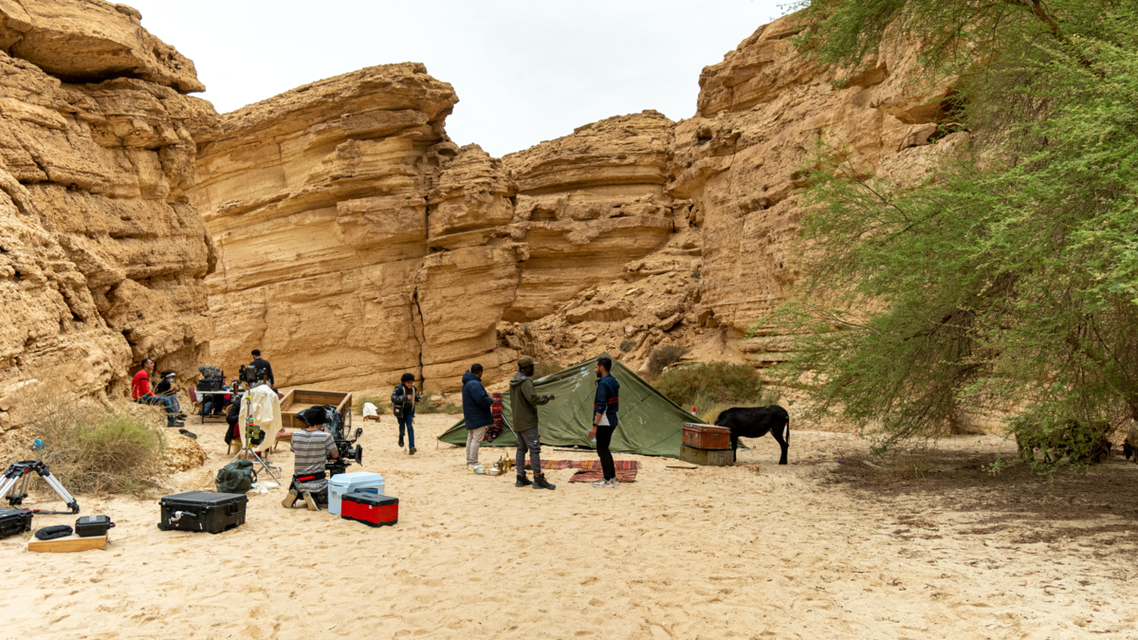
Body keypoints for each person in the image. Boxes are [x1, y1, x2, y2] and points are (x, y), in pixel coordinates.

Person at [509, 356, 555, 490]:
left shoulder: (513, 381)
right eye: (532, 367)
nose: (533, 369)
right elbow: (533, 399)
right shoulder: (526, 382)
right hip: (528, 421)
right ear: (527, 368)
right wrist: (546, 398)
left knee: (521, 449)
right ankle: (538, 478)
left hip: (518, 420)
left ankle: (520, 477)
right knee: (534, 450)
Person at [282, 407, 338, 511]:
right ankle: (313, 497)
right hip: (318, 483)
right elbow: (335, 455)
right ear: (322, 422)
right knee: (332, 491)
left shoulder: (296, 434)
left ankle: (297, 493)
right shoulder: (326, 436)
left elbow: (295, 450)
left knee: (301, 486)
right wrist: (329, 437)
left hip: (297, 482)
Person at [588, 357, 621, 488]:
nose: (595, 370)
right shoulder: (613, 381)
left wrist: (594, 425)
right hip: (611, 420)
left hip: (604, 421)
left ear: (602, 368)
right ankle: (612, 477)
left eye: (596, 367)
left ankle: (607, 478)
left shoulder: (603, 383)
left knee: (602, 451)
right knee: (605, 449)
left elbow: (601, 406)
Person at [131, 359, 182, 428]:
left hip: (141, 396)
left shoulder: (143, 373)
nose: (153, 364)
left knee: (166, 398)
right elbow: (146, 390)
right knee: (166, 399)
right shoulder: (143, 374)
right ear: (145, 365)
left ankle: (173, 419)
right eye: (151, 363)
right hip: (140, 398)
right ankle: (172, 421)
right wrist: (155, 396)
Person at [461, 363, 493, 469]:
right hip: (477, 415)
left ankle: (470, 461)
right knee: (476, 439)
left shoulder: (466, 384)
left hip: (470, 415)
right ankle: (473, 462)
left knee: (470, 438)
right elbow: (481, 400)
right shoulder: (475, 383)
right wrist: (490, 400)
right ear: (480, 372)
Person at [391, 373, 422, 455]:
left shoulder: (413, 389)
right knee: (402, 427)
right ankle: (401, 437)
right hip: (400, 411)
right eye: (408, 383)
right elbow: (393, 398)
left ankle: (412, 447)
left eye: (411, 383)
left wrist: (418, 399)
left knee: (410, 427)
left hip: (409, 411)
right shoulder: (399, 389)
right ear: (404, 382)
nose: (410, 384)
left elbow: (414, 396)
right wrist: (405, 397)